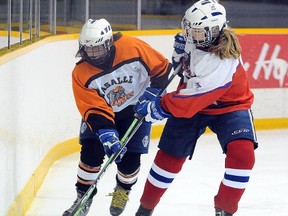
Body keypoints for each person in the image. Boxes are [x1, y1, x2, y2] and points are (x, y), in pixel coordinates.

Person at [134, 0, 258, 215]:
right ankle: (145, 208)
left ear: (215, 31)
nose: (191, 36)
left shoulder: (222, 60)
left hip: (229, 106)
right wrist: (178, 57)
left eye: (198, 32)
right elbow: (186, 72)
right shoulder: (199, 38)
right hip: (192, 103)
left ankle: (225, 210)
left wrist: (158, 106)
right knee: (169, 157)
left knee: (243, 154)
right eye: (189, 29)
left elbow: (193, 98)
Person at [62, 18, 172, 216]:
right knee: (90, 154)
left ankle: (123, 190)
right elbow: (92, 106)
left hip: (136, 110)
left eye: (97, 48)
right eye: (88, 49)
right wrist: (106, 133)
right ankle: (82, 196)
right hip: (103, 114)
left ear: (108, 42)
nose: (92, 54)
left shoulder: (133, 47)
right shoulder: (81, 72)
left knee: (130, 162)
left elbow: (162, 68)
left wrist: (153, 93)